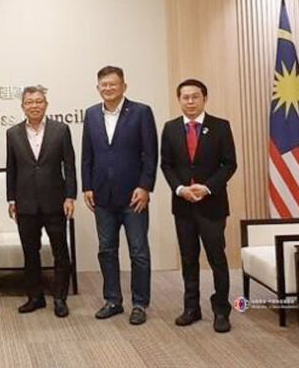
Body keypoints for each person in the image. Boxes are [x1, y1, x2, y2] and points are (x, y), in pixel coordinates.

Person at [82, 65, 157, 325]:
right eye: (104, 85)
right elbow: (87, 154)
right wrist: (87, 186)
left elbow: (150, 154)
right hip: (102, 196)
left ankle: (139, 303)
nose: (108, 88)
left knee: (138, 251)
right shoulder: (91, 114)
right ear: (98, 87)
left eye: (113, 84)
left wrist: (145, 186)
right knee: (106, 250)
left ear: (124, 86)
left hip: (134, 196)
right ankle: (113, 300)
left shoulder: (141, 112)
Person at [160, 79, 237, 333]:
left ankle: (221, 310)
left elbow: (229, 164)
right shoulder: (170, 128)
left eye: (195, 96)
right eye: (185, 97)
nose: (190, 101)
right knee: (188, 258)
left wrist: (207, 187)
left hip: (212, 204)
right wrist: (180, 189)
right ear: (179, 100)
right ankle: (191, 308)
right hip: (183, 206)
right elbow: (166, 165)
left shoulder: (220, 126)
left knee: (217, 258)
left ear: (205, 98)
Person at [6, 86, 76, 317]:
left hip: (55, 201)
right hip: (25, 203)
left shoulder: (60, 130)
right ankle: (35, 297)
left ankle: (60, 298)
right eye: (29, 102)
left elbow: (69, 165)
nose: (34, 105)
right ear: (23, 106)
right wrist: (11, 199)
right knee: (30, 252)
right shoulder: (13, 133)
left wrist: (70, 196)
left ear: (46, 104)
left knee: (60, 252)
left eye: (38, 101)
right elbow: (11, 168)